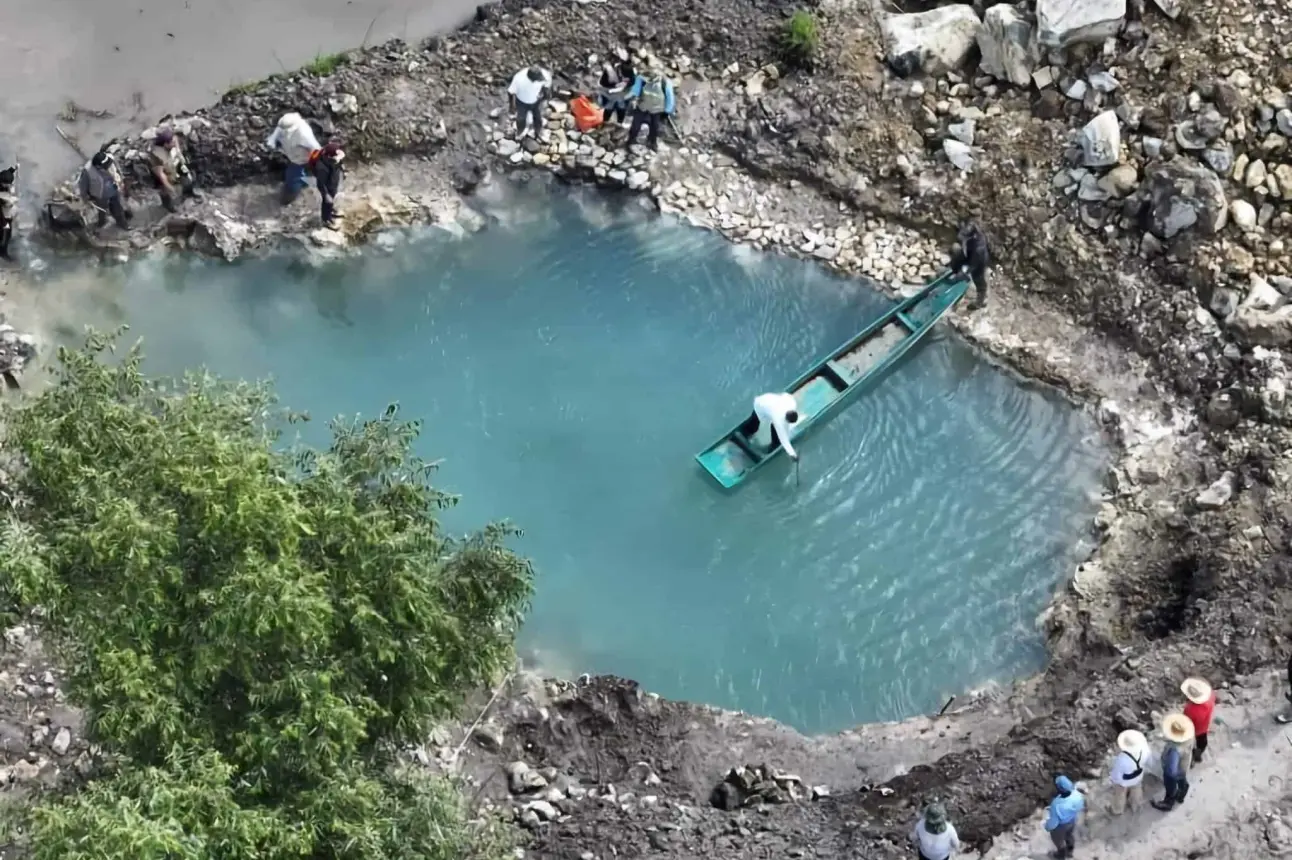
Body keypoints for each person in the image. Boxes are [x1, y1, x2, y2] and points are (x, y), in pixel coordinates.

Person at [265, 112, 322, 204]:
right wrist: (271, 141)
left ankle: (287, 201)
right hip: (290, 154)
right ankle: (307, 181)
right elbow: (278, 130)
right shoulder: (284, 124)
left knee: (293, 181)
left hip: (300, 160)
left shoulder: (303, 134)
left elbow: (316, 149)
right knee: (297, 175)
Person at [624, 63, 676, 151]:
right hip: (642, 106)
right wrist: (628, 97)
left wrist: (667, 111)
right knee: (635, 125)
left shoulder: (665, 83)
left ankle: (652, 142)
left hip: (657, 109)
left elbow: (670, 98)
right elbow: (636, 90)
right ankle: (631, 140)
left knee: (654, 127)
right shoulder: (641, 78)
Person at [148, 127, 199, 212]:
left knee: (187, 178)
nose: (174, 142)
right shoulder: (156, 156)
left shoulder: (172, 140)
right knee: (165, 191)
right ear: (165, 144)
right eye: (172, 142)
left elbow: (175, 139)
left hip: (175, 163)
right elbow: (161, 175)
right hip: (164, 171)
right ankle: (169, 207)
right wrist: (170, 187)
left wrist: (179, 153)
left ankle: (189, 192)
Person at [77, 150, 132, 229]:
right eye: (105, 166)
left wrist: (121, 180)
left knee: (117, 209)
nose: (108, 167)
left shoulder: (110, 160)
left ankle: (122, 224)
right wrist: (85, 199)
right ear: (98, 166)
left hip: (113, 190)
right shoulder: (88, 171)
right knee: (102, 210)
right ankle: (101, 223)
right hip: (99, 195)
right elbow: (83, 186)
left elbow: (117, 169)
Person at [1153, 713, 1194, 811]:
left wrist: (1168, 774)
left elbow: (1171, 771)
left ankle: (1168, 802)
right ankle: (1182, 793)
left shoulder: (1175, 750)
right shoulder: (1189, 735)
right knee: (1182, 779)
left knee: (1171, 781)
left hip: (1175, 770)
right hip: (1184, 763)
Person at [741, 392, 800, 460]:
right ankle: (744, 432)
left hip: (769, 399)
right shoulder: (778, 419)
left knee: (774, 427)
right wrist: (792, 454)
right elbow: (783, 439)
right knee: (754, 426)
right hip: (760, 406)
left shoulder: (792, 404)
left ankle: (775, 444)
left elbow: (786, 395)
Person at [948, 221, 990, 310]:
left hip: (979, 262)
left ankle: (980, 301)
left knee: (978, 279)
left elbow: (973, 265)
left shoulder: (979, 248)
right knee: (956, 254)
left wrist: (965, 272)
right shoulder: (970, 226)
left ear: (972, 236)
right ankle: (953, 273)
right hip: (968, 251)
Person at [1108, 729, 1148, 815]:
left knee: (1120, 794)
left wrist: (1113, 780)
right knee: (1136, 789)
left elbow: (1117, 775)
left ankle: (1117, 809)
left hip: (1124, 781)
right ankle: (1136, 804)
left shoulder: (1122, 759)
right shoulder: (1144, 750)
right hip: (1138, 775)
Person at [1044, 774, 1084, 860]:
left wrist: (1047, 826)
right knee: (1069, 835)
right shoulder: (1077, 795)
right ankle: (1070, 850)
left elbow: (1053, 823)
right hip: (1072, 821)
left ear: (1059, 789)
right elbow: (1080, 806)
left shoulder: (1056, 804)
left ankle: (1060, 855)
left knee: (1059, 841)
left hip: (1060, 826)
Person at [507, 65, 552, 140]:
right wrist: (512, 105)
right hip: (521, 102)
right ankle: (520, 132)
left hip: (536, 101)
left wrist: (545, 97)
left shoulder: (545, 75)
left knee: (538, 118)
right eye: (539, 79)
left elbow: (546, 87)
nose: (542, 79)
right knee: (521, 119)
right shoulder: (519, 79)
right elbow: (511, 92)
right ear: (531, 80)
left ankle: (538, 131)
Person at [310, 142, 345, 229]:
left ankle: (330, 211)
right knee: (327, 202)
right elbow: (320, 183)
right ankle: (325, 219)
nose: (339, 158)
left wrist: (344, 170)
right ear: (330, 157)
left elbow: (340, 162)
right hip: (327, 187)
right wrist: (326, 195)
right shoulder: (322, 167)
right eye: (337, 156)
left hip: (333, 183)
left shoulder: (334, 158)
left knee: (331, 200)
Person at [1181, 677, 1216, 763]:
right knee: (1202, 743)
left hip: (1194, 729)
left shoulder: (1190, 709)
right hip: (1204, 728)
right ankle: (1198, 755)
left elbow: (1186, 722)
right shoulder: (1210, 697)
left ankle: (1191, 757)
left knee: (1189, 744)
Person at [599, 56, 635, 125]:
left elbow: (632, 81)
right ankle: (606, 121)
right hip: (611, 92)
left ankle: (619, 122)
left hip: (621, 93)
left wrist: (626, 84)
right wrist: (614, 86)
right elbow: (602, 83)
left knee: (620, 106)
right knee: (611, 106)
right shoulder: (609, 71)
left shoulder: (628, 71)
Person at [0, 164, 16, 261]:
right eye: (8, 184)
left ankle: (4, 250)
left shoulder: (3, 176)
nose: (9, 186)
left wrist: (14, 168)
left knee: (8, 234)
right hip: (1, 215)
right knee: (1, 234)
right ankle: (2, 252)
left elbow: (8, 172)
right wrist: (4, 223)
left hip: (6, 212)